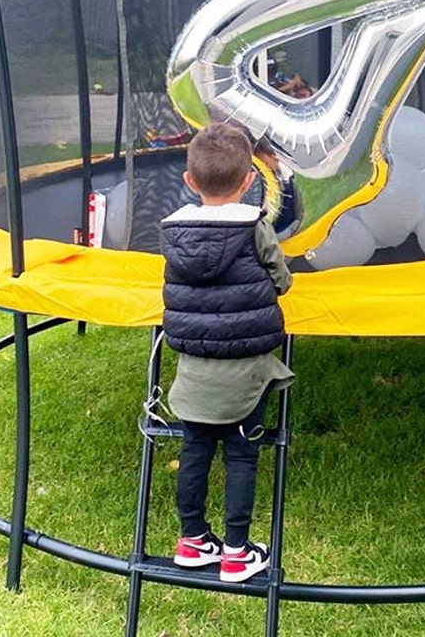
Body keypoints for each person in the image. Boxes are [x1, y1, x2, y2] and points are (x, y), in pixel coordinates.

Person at [160, 123, 294, 583]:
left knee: (195, 450)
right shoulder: (255, 228)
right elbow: (281, 280)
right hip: (245, 370)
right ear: (249, 181)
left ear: (190, 181)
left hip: (194, 369)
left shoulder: (173, 234)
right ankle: (237, 552)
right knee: (241, 455)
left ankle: (192, 540)